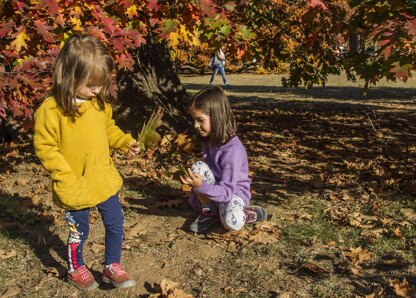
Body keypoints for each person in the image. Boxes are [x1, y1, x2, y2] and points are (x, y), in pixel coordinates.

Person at [33, 34, 140, 291]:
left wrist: (125, 142)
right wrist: (63, 174)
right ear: (69, 75)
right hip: (74, 183)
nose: (97, 91)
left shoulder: (98, 105)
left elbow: (109, 130)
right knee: (79, 229)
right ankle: (76, 268)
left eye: (101, 84)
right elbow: (45, 147)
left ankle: (112, 264)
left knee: (115, 221)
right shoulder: (51, 110)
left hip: (101, 177)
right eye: (91, 84)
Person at [180, 86, 267, 233]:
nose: (195, 125)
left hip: (232, 193)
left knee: (232, 223)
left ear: (216, 117)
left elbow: (227, 192)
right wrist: (196, 183)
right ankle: (210, 211)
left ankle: (246, 213)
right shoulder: (208, 140)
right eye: (194, 120)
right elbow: (209, 173)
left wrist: (200, 186)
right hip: (217, 187)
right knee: (198, 167)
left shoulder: (232, 151)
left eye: (200, 120)